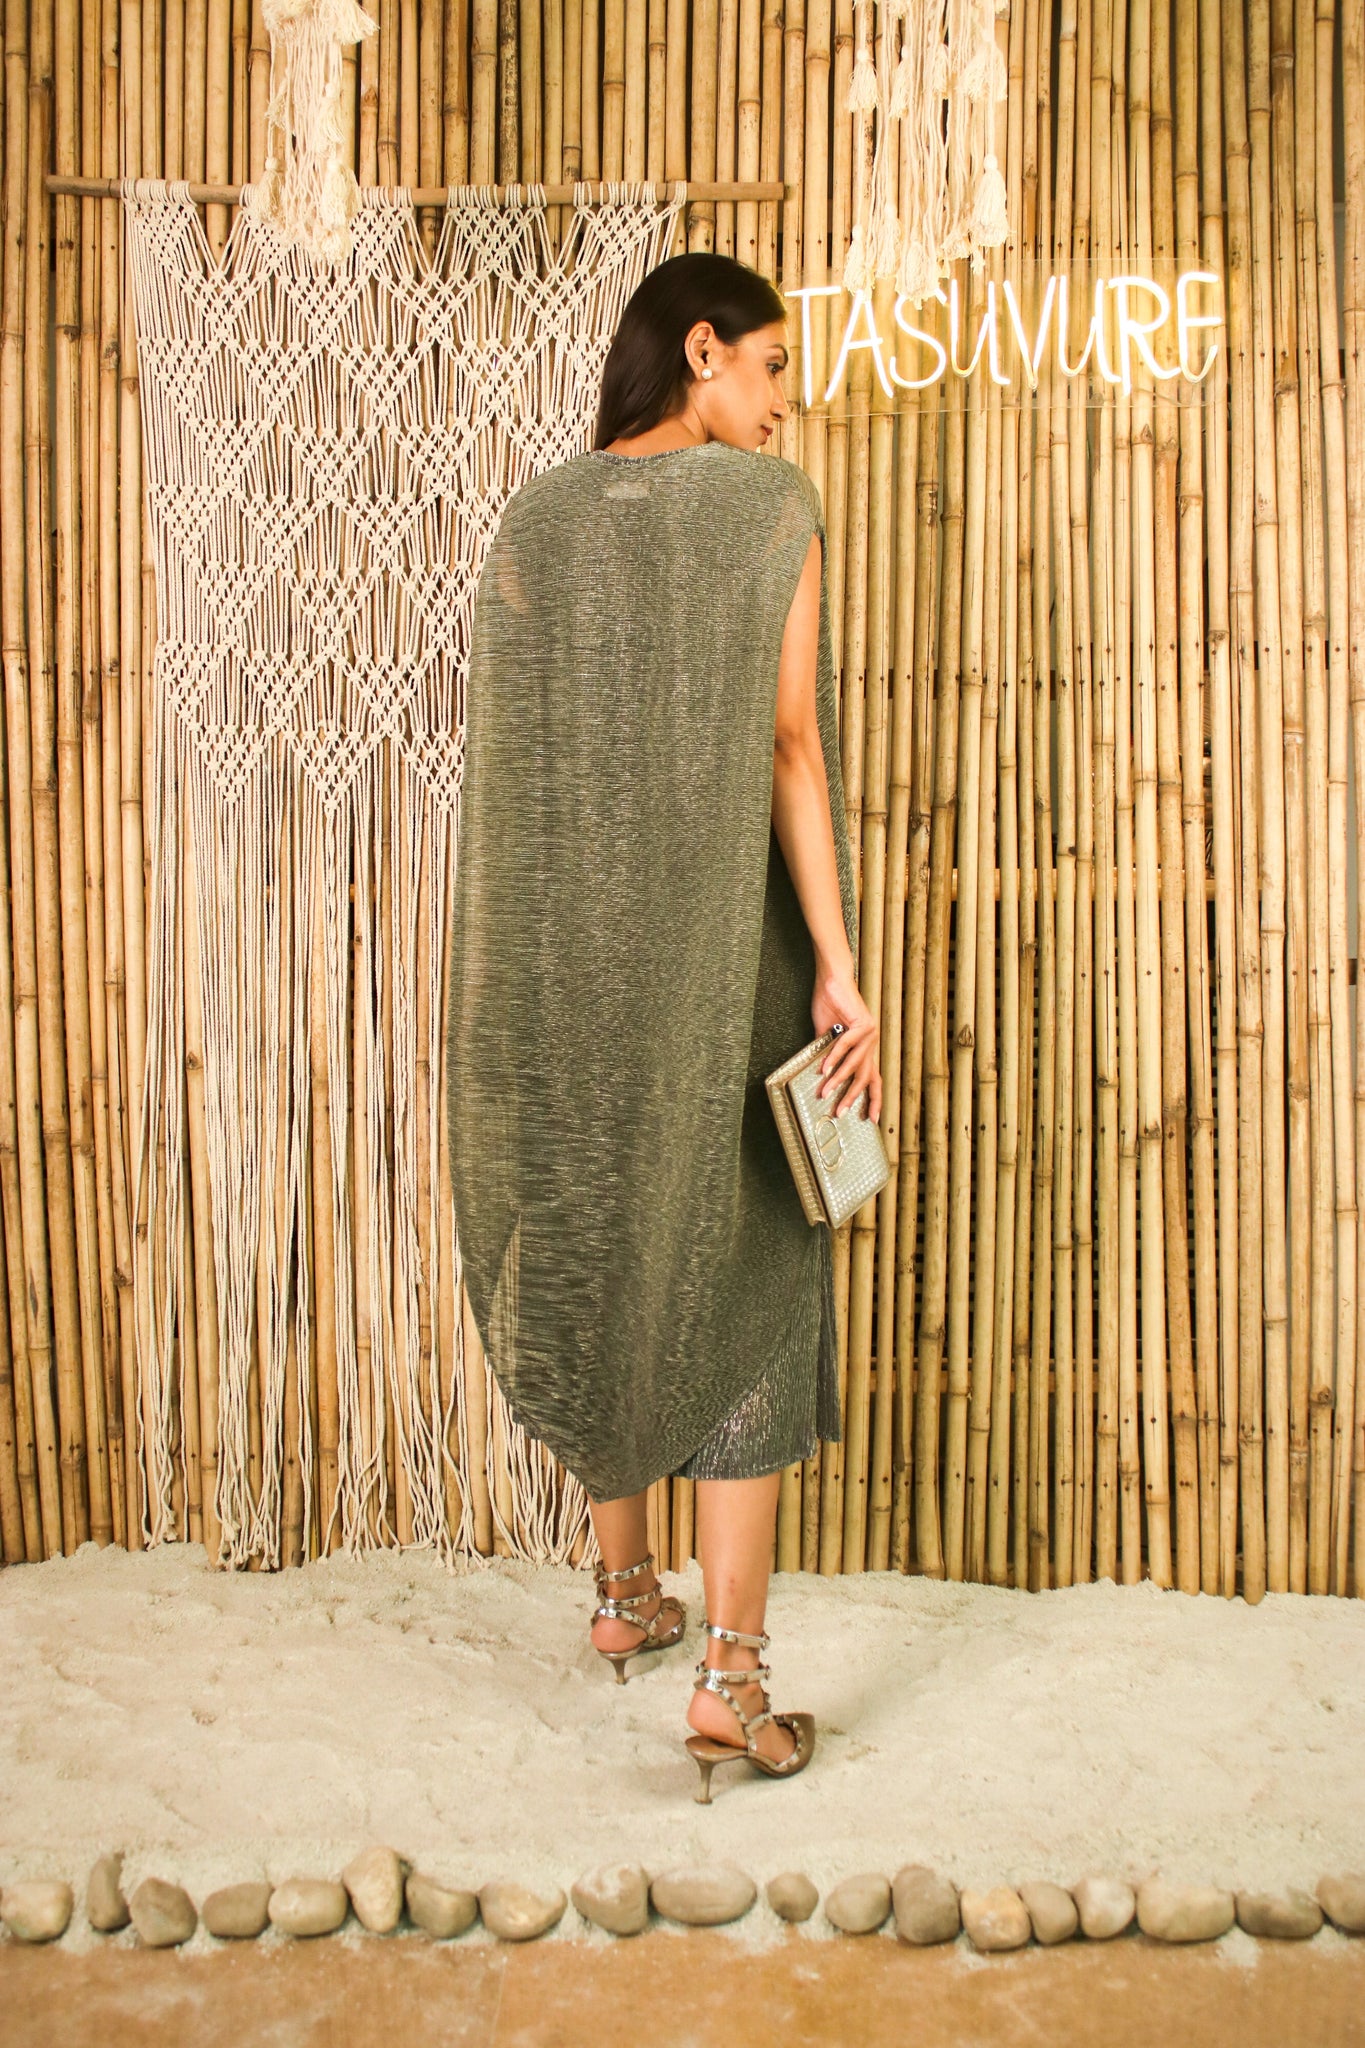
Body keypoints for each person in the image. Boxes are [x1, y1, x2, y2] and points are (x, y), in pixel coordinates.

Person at [445, 251, 882, 1800]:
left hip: (564, 961)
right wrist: (836, 963)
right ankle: (732, 1682)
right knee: (747, 1272)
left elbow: (522, 766)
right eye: (769, 365)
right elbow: (786, 744)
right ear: (701, 351)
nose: (781, 401)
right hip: (720, 953)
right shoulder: (767, 510)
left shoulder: (537, 521)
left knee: (601, 1237)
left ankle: (624, 1594)